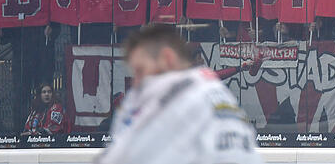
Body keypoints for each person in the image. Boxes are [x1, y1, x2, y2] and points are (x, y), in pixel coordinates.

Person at [97, 23, 262, 164]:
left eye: (140, 70)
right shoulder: (215, 94)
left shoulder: (171, 97)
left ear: (167, 58)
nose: (136, 81)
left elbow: (120, 156)